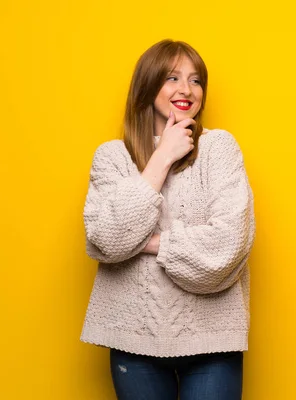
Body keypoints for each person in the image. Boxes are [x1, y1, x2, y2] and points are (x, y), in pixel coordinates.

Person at [80, 39, 255, 400]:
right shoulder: (112, 158)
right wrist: (162, 157)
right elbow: (107, 239)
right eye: (172, 78)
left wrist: (147, 243)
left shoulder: (220, 148)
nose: (186, 90)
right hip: (132, 339)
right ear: (147, 85)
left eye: (195, 80)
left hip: (211, 340)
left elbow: (229, 245)